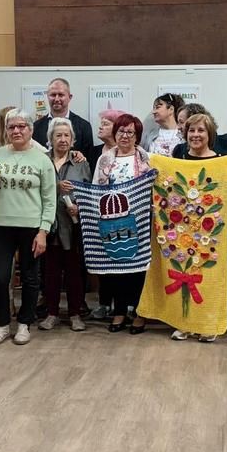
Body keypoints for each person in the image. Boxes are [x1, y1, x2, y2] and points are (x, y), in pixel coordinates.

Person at [0, 108, 57, 346]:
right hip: (1, 225)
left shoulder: (42, 159)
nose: (16, 131)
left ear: (30, 130)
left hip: (31, 226)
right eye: (12, 127)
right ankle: (2, 324)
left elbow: (50, 199)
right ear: (6, 130)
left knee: (30, 277)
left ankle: (25, 323)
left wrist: (43, 231)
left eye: (21, 126)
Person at [169, 112, 227, 343]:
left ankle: (207, 324)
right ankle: (184, 323)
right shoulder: (178, 158)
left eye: (201, 130)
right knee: (185, 272)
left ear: (209, 134)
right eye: (191, 130)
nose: (195, 135)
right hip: (182, 230)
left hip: (209, 232)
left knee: (209, 277)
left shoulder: (221, 162)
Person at [93, 113, 151, 333]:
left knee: (138, 268)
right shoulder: (105, 159)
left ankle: (138, 312)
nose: (125, 136)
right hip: (112, 221)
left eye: (130, 132)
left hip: (140, 221)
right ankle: (119, 311)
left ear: (137, 136)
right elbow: (96, 188)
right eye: (121, 131)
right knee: (116, 267)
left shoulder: (146, 158)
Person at [40, 118, 92, 332]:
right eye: (58, 135)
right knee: (50, 272)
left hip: (73, 226)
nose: (62, 139)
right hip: (48, 225)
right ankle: (51, 313)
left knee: (74, 272)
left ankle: (75, 314)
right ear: (50, 139)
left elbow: (89, 192)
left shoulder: (81, 162)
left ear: (73, 139)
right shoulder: (42, 160)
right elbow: (35, 190)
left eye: (66, 135)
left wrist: (79, 207)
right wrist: (56, 187)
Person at [88, 108, 129, 320]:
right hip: (102, 213)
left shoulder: (134, 154)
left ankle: (124, 305)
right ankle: (104, 302)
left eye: (106, 123)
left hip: (126, 214)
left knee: (124, 259)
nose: (101, 127)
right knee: (105, 259)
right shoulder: (95, 152)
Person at [32, 78, 96, 157]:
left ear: (70, 97)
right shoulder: (36, 127)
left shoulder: (84, 126)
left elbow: (88, 158)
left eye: (61, 95)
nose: (56, 99)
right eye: (53, 95)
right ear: (47, 96)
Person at [142, 92, 185, 157]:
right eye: (154, 108)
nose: (153, 112)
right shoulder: (150, 136)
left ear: (171, 109)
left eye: (157, 107)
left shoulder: (184, 134)